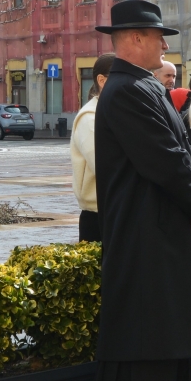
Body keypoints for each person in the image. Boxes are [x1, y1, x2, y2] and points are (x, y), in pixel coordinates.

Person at [90, 0, 191, 381]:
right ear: (136, 38)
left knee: (170, 346)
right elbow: (165, 163)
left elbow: (187, 154)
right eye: (159, 36)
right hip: (145, 243)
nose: (166, 46)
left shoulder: (143, 86)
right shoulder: (126, 91)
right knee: (150, 349)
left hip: (164, 235)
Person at [71, 53, 116, 242]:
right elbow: (106, 166)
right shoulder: (90, 117)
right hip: (98, 214)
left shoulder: (111, 111)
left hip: (115, 210)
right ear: (102, 80)